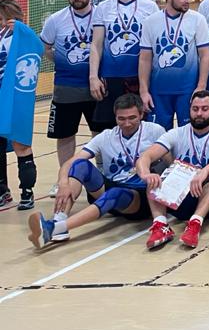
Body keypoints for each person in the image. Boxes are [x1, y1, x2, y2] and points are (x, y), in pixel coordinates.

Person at [28, 94, 164, 248]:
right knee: (80, 165)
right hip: (111, 187)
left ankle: (54, 229)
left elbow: (170, 160)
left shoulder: (154, 131)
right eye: (121, 119)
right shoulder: (106, 136)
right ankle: (59, 219)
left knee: (115, 193)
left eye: (132, 118)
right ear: (115, 116)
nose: (126, 123)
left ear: (141, 114)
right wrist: (63, 183)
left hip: (139, 197)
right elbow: (70, 163)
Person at [137, 90, 209, 249]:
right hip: (180, 198)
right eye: (195, 109)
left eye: (205, 109)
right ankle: (161, 225)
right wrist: (145, 174)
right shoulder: (177, 133)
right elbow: (146, 156)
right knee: (154, 176)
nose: (199, 113)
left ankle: (195, 224)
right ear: (189, 109)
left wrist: (205, 171)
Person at [41, 0, 101, 181]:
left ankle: (103, 176)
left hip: (98, 86)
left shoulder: (102, 16)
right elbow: (45, 48)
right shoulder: (55, 19)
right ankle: (64, 178)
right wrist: (62, 61)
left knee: (100, 133)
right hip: (66, 87)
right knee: (65, 135)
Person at [89, 0, 159, 132]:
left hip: (139, 77)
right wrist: (93, 77)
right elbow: (96, 44)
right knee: (106, 128)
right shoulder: (103, 8)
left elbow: (155, 45)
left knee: (141, 125)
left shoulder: (150, 7)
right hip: (111, 76)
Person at [139, 0, 209, 130]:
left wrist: (201, 86)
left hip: (188, 90)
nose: (187, 0)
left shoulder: (198, 19)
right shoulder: (150, 21)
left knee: (189, 133)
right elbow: (145, 59)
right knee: (158, 134)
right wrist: (144, 91)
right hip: (158, 91)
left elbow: (205, 55)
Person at [0, 0, 39, 209]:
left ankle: (27, 192)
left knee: (21, 145)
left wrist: (22, 30)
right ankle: (2, 191)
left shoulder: (24, 37)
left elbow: (38, 48)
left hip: (15, 98)